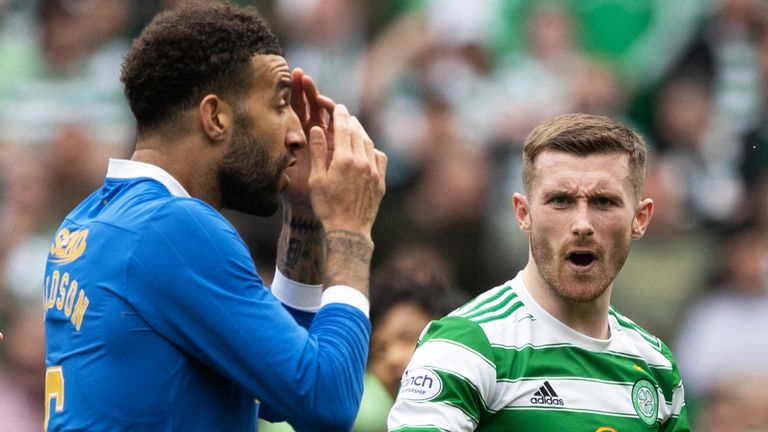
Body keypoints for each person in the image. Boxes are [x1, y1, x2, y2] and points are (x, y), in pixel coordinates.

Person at [43, 2, 386, 432]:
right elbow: (326, 401)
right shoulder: (173, 228)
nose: (298, 133)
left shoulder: (89, 220)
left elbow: (275, 390)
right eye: (281, 104)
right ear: (215, 116)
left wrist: (304, 216)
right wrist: (350, 229)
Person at [388, 113, 690, 431]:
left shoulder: (656, 366)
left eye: (604, 201)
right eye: (560, 200)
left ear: (640, 219)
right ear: (523, 214)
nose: (582, 225)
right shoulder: (467, 345)